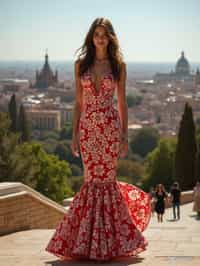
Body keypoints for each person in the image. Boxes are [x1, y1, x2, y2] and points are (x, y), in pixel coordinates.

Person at [45, 17, 151, 262]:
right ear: (91, 38)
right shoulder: (80, 64)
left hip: (109, 129)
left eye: (104, 34)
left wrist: (125, 136)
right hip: (88, 130)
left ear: (110, 38)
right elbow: (78, 102)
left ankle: (109, 243)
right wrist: (73, 134)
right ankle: (87, 242)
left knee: (106, 181)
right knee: (90, 181)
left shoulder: (118, 66)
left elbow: (122, 103)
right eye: (96, 34)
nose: (100, 38)